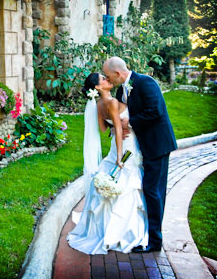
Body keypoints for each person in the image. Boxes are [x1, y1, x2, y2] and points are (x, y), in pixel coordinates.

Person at [66, 72, 149, 254]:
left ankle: (106, 227)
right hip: (125, 146)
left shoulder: (98, 105)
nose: (107, 79)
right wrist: (119, 156)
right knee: (127, 184)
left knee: (118, 183)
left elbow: (105, 128)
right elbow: (118, 131)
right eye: (103, 79)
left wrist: (114, 124)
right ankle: (122, 231)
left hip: (116, 145)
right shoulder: (111, 102)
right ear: (97, 87)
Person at [103, 56, 177, 253]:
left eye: (109, 77)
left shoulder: (145, 82)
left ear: (118, 73)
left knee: (153, 191)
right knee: (149, 190)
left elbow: (156, 111)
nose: (108, 80)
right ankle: (145, 234)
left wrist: (130, 123)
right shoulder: (121, 90)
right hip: (138, 146)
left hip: (157, 145)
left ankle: (155, 242)